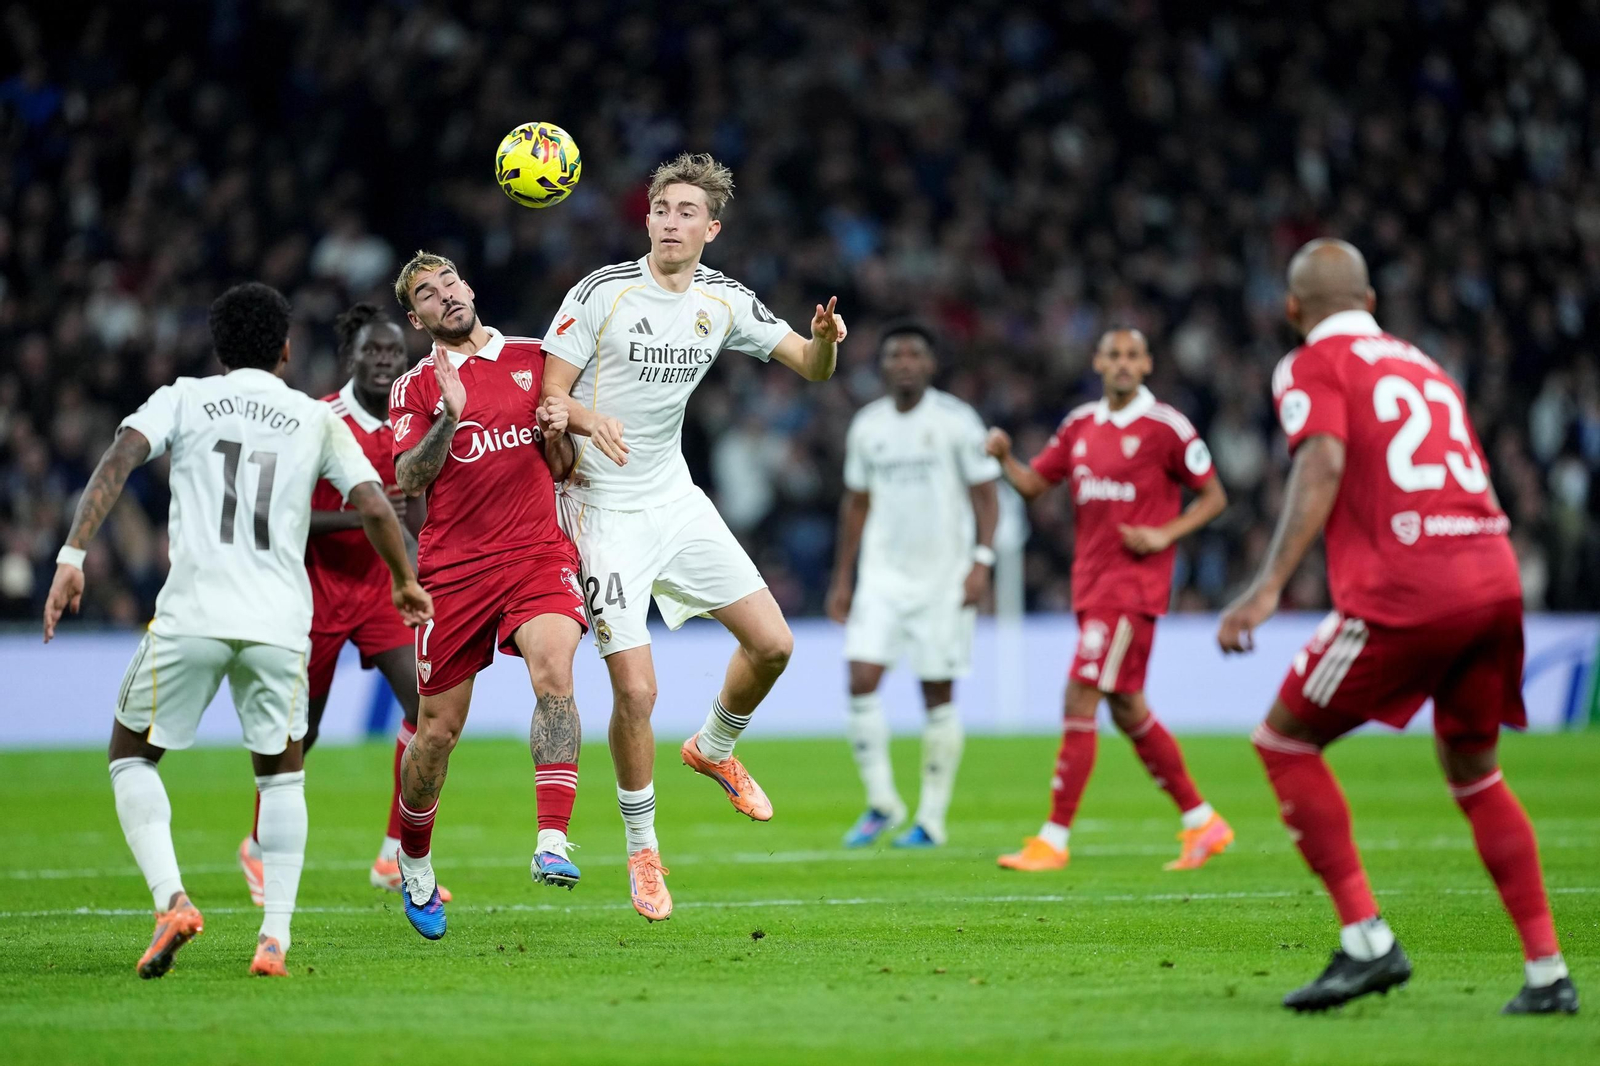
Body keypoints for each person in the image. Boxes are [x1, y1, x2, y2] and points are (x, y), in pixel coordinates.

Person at [1218, 238, 1578, 1015]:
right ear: (1372, 303)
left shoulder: (1309, 364)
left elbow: (1321, 462)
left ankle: (1367, 943)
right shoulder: (1424, 364)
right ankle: (1548, 974)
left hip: (1408, 590)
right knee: (1477, 772)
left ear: (1292, 309)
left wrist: (1266, 587)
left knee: (1283, 740)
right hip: (1494, 576)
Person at [42, 282, 431, 978]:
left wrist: (72, 556)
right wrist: (405, 579)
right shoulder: (311, 417)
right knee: (283, 777)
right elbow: (374, 503)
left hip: (193, 612)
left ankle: (172, 901)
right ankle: (273, 940)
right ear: (286, 348)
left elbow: (118, 459)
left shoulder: (183, 397)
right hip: (280, 623)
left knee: (131, 755)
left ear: (220, 348)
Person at [539, 152, 846, 922]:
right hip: (600, 510)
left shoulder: (724, 299)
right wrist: (586, 416)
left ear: (712, 227)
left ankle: (712, 747)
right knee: (637, 691)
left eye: (686, 213)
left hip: (675, 500)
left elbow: (812, 368)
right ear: (646, 218)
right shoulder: (601, 294)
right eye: (660, 209)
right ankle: (643, 851)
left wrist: (828, 338)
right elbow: (547, 397)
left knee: (774, 644)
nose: (671, 222)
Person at [386, 250, 594, 941]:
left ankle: (553, 840)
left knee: (554, 672)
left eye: (449, 282)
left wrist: (563, 438)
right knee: (437, 733)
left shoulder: (539, 358)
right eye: (426, 293)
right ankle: (414, 861)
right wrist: (450, 416)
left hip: (537, 554)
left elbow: (565, 465)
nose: (443, 295)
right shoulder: (416, 388)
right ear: (415, 318)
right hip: (454, 572)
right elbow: (410, 477)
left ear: (469, 288)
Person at [985, 327, 1232, 873]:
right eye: (1113, 354)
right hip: (1092, 585)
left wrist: (1167, 534)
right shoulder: (1080, 425)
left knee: (1079, 696)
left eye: (1132, 356)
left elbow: (1214, 496)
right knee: (1128, 708)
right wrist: (1005, 458)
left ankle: (1053, 839)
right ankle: (1202, 821)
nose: (1122, 364)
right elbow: (1033, 485)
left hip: (1132, 588)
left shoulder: (1166, 427)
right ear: (1097, 361)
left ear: (1146, 364)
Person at [235, 303, 447, 906]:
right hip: (318, 591)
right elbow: (279, 513)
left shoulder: (412, 419)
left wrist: (419, 560)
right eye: (373, 352)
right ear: (350, 356)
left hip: (383, 591)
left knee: (427, 711)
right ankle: (255, 845)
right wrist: (364, 516)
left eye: (394, 354)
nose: (384, 362)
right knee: (306, 729)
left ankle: (394, 854)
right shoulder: (317, 419)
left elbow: (414, 513)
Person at [825, 323, 999, 848]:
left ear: (930, 365)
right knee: (860, 679)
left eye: (914, 353)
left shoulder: (956, 421)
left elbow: (987, 496)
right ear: (882, 366)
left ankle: (931, 819)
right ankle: (882, 802)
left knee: (937, 693)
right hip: (881, 578)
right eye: (894, 354)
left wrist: (981, 563)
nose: (904, 361)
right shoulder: (868, 426)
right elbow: (856, 505)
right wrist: (843, 579)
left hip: (944, 580)